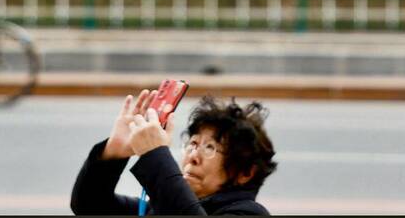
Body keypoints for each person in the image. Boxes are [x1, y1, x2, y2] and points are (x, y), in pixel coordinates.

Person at [71, 91, 276, 216]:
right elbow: (90, 206)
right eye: (193, 143)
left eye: (210, 148)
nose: (193, 156)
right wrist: (112, 153)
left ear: (246, 172)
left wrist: (155, 154)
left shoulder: (249, 212)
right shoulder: (160, 207)